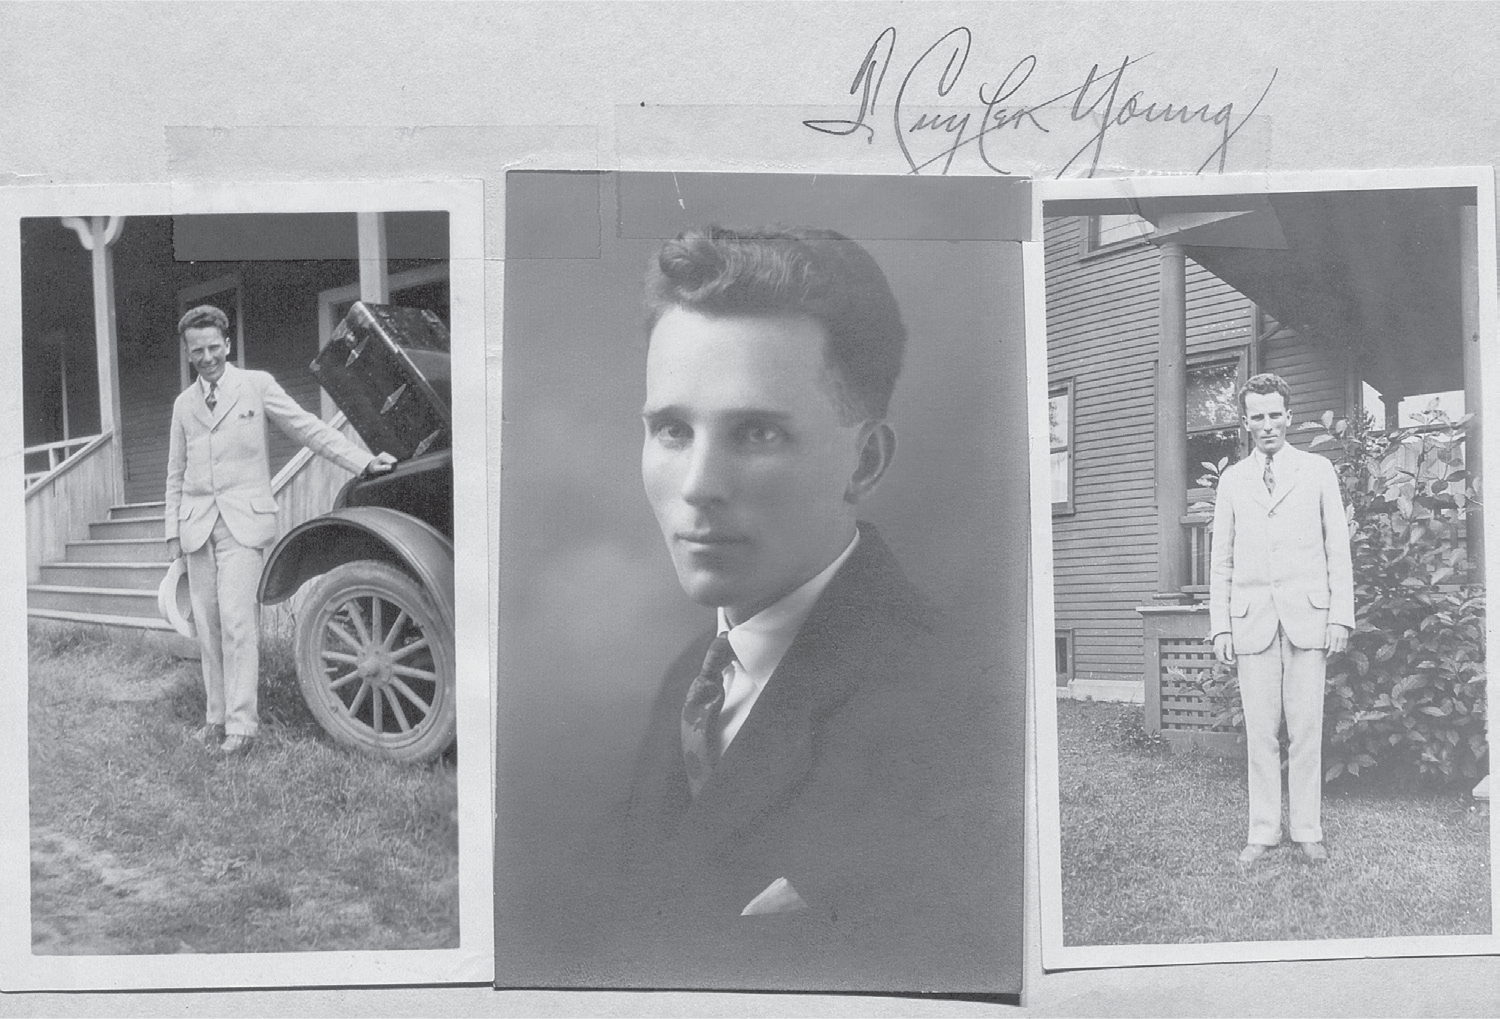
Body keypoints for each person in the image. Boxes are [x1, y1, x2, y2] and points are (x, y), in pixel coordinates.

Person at [610, 226, 1007, 990]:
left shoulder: (962, 713)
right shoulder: (688, 680)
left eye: (756, 431)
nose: (698, 485)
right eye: (672, 429)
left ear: (865, 460)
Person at [164, 305, 395, 756]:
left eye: (213, 347)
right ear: (188, 354)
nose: (207, 358)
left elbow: (308, 429)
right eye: (197, 352)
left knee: (237, 622)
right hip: (196, 527)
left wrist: (363, 461)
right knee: (208, 626)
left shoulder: (257, 385)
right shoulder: (183, 405)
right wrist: (172, 533)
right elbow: (175, 472)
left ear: (227, 343)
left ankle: (241, 726)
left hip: (243, 525)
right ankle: (215, 718)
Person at [1209, 372, 1354, 865]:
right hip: (1252, 621)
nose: (1267, 425)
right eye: (1258, 417)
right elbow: (1222, 560)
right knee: (1261, 733)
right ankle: (1264, 831)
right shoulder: (1232, 480)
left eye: (1275, 415)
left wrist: (1340, 616)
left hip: (1308, 619)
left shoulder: (1316, 470)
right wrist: (1221, 624)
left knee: (1307, 729)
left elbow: (1338, 548)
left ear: (1289, 416)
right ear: (1245, 422)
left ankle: (1307, 829)